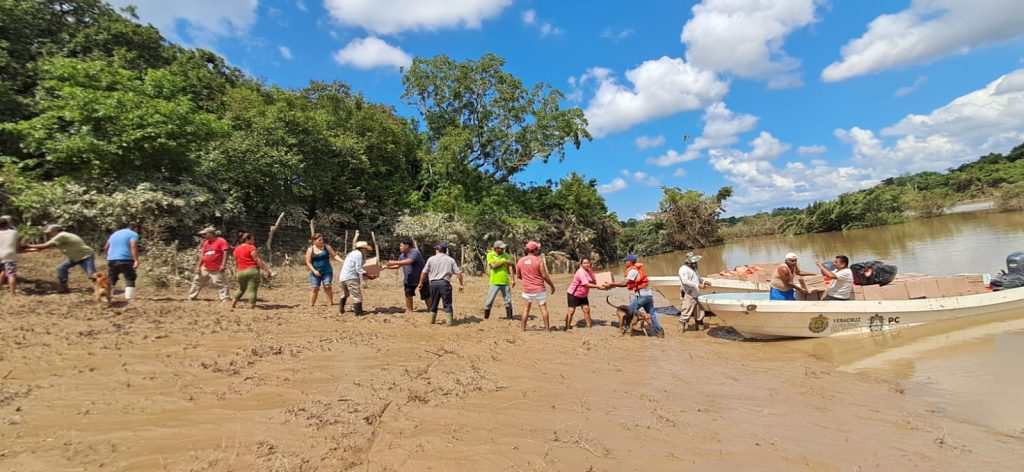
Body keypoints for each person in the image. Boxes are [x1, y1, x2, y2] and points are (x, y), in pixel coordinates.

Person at [26, 225, 96, 293]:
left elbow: (44, 245)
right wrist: (25, 250)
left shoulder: (62, 235)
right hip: (75, 257)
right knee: (61, 268)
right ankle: (64, 287)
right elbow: (44, 247)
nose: (48, 234)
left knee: (91, 274)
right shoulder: (59, 237)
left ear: (55, 231)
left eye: (49, 232)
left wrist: (27, 246)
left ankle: (100, 287)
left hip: (85, 256)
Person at [607, 254, 664, 337]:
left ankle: (626, 330)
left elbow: (624, 283)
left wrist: (612, 284)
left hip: (641, 297)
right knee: (651, 314)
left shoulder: (633, 271)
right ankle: (660, 332)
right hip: (648, 295)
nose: (625, 263)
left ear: (630, 262)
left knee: (628, 312)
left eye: (626, 261)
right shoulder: (637, 269)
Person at [418, 242, 464, 325]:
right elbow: (458, 273)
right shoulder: (450, 260)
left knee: (433, 303)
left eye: (436, 249)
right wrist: (461, 284)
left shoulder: (431, 259)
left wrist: (421, 283)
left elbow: (424, 272)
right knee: (447, 303)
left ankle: (432, 321)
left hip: (433, 284)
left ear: (438, 250)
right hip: (445, 284)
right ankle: (449, 322)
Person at [515, 241, 556, 331]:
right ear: (535, 250)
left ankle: (522, 329)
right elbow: (544, 275)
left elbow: (518, 275)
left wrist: (527, 279)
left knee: (526, 309)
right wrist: (552, 286)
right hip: (539, 289)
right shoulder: (538, 260)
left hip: (527, 289)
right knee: (543, 308)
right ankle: (547, 329)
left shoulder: (520, 261)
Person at [187, 227, 232, 302]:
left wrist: (223, 265)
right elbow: (202, 255)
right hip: (205, 267)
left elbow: (225, 253)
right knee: (197, 281)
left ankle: (225, 298)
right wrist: (198, 266)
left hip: (216, 267)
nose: (203, 236)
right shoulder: (205, 242)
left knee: (221, 283)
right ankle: (191, 297)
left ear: (210, 234)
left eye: (205, 234)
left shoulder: (221, 241)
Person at [384, 238, 427, 314]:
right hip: (409, 279)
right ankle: (409, 310)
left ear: (406, 246)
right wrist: (385, 267)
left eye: (401, 246)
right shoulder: (402, 255)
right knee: (408, 294)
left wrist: (393, 262)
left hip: (421, 278)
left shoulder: (415, 252)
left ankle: (431, 310)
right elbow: (397, 266)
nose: (399, 247)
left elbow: (409, 261)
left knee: (426, 295)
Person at [230, 232, 271, 309]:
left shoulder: (236, 249)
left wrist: (236, 272)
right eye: (252, 239)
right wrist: (266, 270)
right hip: (252, 271)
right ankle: (251, 307)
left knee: (241, 289)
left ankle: (233, 304)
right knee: (252, 290)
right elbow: (257, 259)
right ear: (247, 240)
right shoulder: (251, 247)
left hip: (240, 272)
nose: (253, 241)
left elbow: (235, 262)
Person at [565, 258, 606, 330]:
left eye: (588, 263)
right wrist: (598, 286)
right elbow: (586, 284)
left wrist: (604, 284)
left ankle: (589, 328)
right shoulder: (581, 272)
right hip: (574, 294)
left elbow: (594, 280)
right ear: (581, 264)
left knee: (586, 309)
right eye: (584, 263)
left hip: (583, 294)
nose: (586, 264)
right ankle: (567, 328)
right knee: (571, 311)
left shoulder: (589, 270)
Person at [304, 233, 344, 307]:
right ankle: (311, 305)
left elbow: (334, 255)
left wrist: (342, 261)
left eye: (322, 240)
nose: (321, 241)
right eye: (319, 240)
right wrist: (314, 271)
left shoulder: (327, 247)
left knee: (327, 286)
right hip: (315, 272)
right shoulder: (310, 250)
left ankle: (330, 304)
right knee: (315, 288)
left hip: (327, 271)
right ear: (314, 241)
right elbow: (308, 262)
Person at [339, 240, 378, 316]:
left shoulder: (351, 253)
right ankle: (358, 313)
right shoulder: (359, 254)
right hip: (351, 277)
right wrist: (368, 275)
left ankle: (341, 309)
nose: (366, 251)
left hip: (343, 277)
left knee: (345, 294)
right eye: (365, 249)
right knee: (357, 296)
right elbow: (358, 268)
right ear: (362, 248)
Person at [104, 223, 140, 299]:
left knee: (111, 278)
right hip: (126, 259)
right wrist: (136, 260)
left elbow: (106, 247)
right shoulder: (133, 234)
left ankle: (109, 296)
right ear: (136, 229)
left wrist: (109, 256)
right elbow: (133, 246)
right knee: (130, 277)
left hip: (111, 259)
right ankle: (129, 297)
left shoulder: (114, 234)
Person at [678, 252, 712, 332]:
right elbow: (685, 281)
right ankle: (681, 330)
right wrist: (698, 285)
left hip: (696, 293)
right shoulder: (683, 269)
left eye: (696, 261)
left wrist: (704, 281)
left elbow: (697, 277)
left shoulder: (694, 268)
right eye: (694, 261)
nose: (696, 263)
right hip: (688, 293)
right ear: (689, 261)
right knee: (685, 312)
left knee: (700, 313)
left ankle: (700, 329)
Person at [482, 240, 516, 320]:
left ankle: (510, 318)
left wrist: (513, 279)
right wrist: (504, 261)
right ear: (496, 248)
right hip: (494, 282)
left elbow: (510, 267)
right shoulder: (490, 255)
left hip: (505, 281)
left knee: (508, 301)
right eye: (501, 248)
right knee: (489, 301)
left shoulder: (506, 255)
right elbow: (493, 266)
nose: (503, 249)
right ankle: (486, 318)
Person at [0, 216, 18, 295]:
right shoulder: (13, 232)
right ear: (7, 224)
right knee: (11, 274)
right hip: (9, 255)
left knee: (3, 271)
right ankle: (12, 293)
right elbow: (18, 243)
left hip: (0, 255)